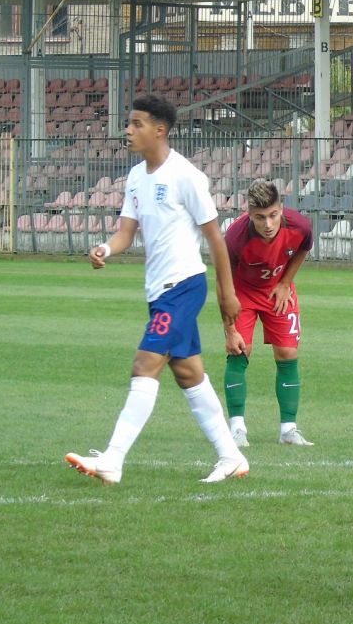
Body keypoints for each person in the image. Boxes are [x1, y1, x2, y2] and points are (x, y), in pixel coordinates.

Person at [65, 95, 249, 485]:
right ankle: (231, 456)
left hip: (184, 285)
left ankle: (113, 459)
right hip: (159, 291)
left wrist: (226, 293)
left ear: (160, 130)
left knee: (144, 365)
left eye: (137, 124)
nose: (128, 131)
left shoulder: (186, 176)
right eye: (129, 123)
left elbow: (216, 240)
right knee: (189, 374)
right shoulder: (136, 177)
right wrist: (105, 249)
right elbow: (126, 232)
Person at [222, 180, 315, 448]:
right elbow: (223, 283)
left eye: (273, 215)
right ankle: (237, 429)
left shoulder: (300, 226)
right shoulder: (235, 237)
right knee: (240, 351)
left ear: (281, 209)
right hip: (242, 293)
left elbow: (304, 248)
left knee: (287, 353)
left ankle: (289, 430)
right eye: (260, 217)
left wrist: (285, 282)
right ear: (249, 214)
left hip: (277, 290)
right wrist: (230, 330)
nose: (268, 224)